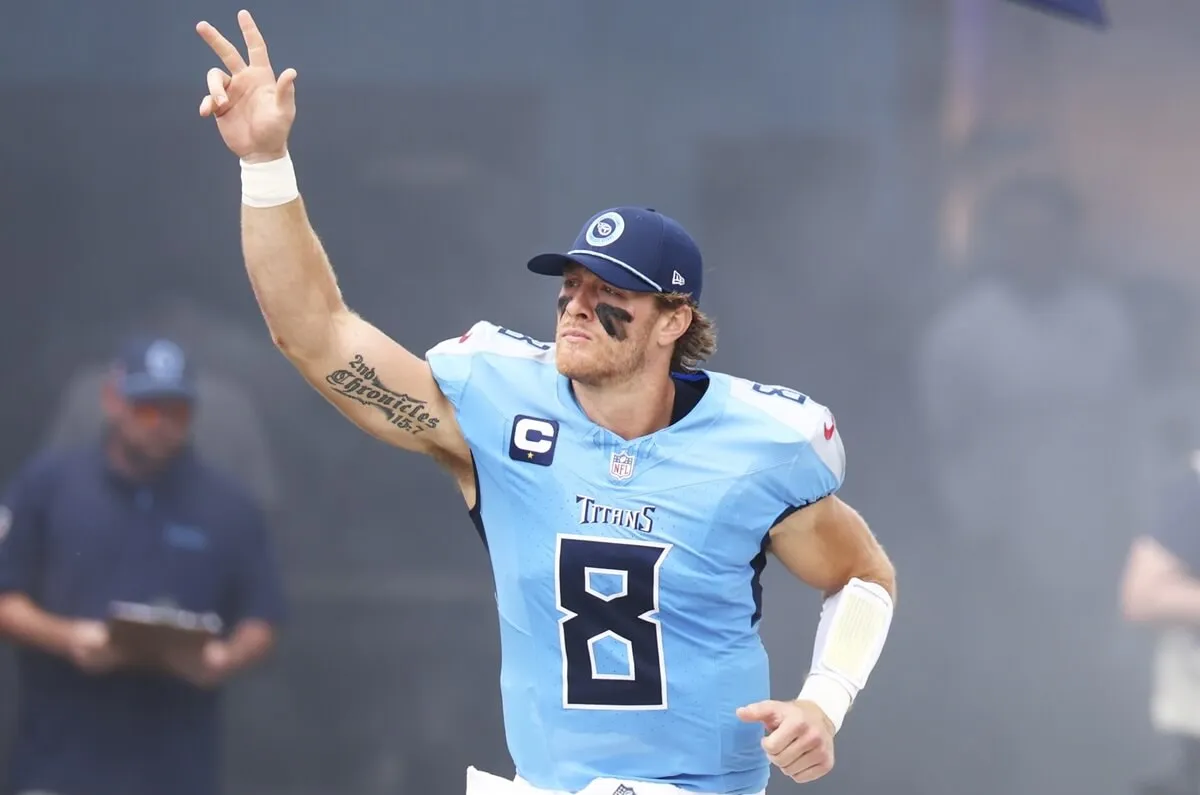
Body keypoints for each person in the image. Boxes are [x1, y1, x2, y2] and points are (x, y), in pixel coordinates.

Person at [194, 11, 896, 795]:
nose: (574, 306)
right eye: (570, 287)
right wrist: (265, 162)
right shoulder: (497, 403)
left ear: (674, 319)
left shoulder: (763, 441)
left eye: (609, 293)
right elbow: (317, 335)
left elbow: (863, 573)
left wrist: (824, 702)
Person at [0, 336, 287, 795]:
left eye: (178, 413)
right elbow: (5, 597)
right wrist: (71, 637)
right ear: (113, 401)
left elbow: (264, 616)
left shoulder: (229, 507)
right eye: (149, 410)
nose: (163, 426)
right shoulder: (48, 486)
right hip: (59, 762)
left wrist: (222, 658)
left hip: (175, 767)